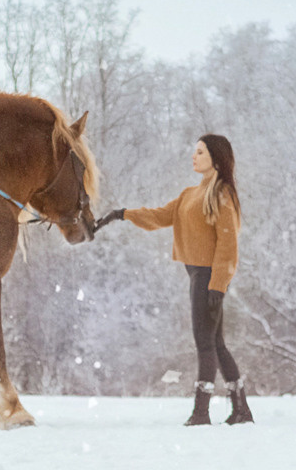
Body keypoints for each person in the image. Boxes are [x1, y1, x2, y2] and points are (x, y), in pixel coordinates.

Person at [96, 134, 253, 425]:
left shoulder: (221, 194)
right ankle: (241, 410)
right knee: (216, 344)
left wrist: (218, 285)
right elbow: (159, 216)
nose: (194, 156)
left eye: (201, 152)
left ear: (216, 159)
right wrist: (122, 214)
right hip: (197, 274)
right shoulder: (189, 194)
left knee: (205, 343)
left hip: (208, 277)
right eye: (195, 151)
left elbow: (227, 245)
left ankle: (202, 412)